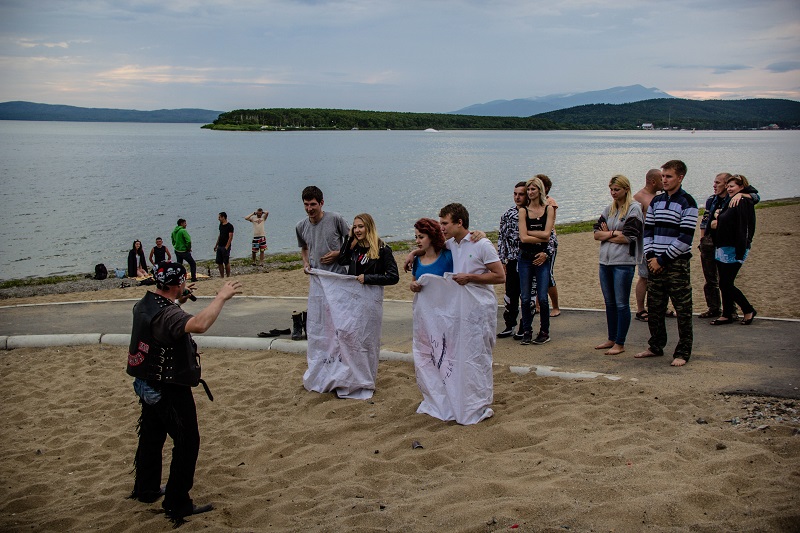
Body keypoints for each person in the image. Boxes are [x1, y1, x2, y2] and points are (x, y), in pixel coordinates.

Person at [126, 262, 242, 524]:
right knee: (187, 442)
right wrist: (221, 297)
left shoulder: (145, 303)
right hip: (169, 386)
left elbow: (167, 312)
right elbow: (199, 324)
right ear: (177, 284)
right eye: (181, 285)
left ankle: (146, 489)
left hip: (146, 382)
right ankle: (177, 503)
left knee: (152, 436)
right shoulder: (168, 315)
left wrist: (179, 295)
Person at [635, 160, 698, 367]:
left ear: (680, 177)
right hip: (655, 262)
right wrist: (652, 257)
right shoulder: (656, 201)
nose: (664, 180)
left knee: (683, 309)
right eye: (663, 176)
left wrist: (662, 259)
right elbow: (649, 231)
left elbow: (685, 238)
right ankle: (655, 346)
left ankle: (682, 351)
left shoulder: (688, 202)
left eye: (669, 176)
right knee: (655, 308)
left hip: (676, 264)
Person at [592, 175, 644, 355]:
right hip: (605, 262)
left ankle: (620, 342)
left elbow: (629, 237)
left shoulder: (634, 209)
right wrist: (614, 234)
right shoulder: (610, 209)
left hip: (623, 262)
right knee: (610, 303)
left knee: (621, 303)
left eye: (617, 190)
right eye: (611, 189)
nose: (613, 193)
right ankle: (611, 338)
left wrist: (610, 233)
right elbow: (597, 234)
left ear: (626, 189)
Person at [698, 173, 760, 319]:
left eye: (718, 182)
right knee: (712, 279)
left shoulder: (738, 199)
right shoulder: (712, 200)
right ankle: (719, 310)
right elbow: (705, 221)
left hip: (730, 245)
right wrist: (702, 239)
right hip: (714, 242)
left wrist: (745, 195)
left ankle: (738, 310)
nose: (715, 185)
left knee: (725, 282)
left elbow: (754, 199)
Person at [517, 177, 556, 345]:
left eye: (533, 189)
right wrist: (539, 237)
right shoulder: (523, 211)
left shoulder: (548, 209)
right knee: (525, 297)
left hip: (542, 258)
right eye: (529, 190)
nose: (530, 192)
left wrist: (534, 236)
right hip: (525, 257)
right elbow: (523, 238)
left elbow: (548, 235)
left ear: (540, 190)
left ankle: (544, 331)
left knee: (543, 297)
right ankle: (527, 330)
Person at [496, 182, 528, 338]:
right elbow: (501, 238)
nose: (517, 197)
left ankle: (525, 326)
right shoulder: (508, 214)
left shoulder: (535, 213)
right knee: (510, 294)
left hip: (529, 261)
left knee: (528, 295)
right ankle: (510, 325)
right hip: (512, 260)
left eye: (521, 194)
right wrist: (501, 260)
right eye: (515, 194)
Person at [296, 186, 349, 274]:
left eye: (313, 204)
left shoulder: (335, 219)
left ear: (321, 203)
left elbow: (353, 240)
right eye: (306, 204)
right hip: (317, 275)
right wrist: (306, 263)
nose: (309, 209)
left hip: (337, 274)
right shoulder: (300, 226)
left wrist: (339, 253)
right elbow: (304, 248)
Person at [632, 169, 662, 321]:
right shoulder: (639, 198)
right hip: (645, 243)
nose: (665, 182)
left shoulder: (658, 197)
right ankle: (640, 309)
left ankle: (659, 307)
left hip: (658, 243)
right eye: (662, 179)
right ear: (653, 181)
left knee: (658, 276)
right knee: (644, 276)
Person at [337, 213, 400, 286]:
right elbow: (342, 261)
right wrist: (349, 238)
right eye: (354, 227)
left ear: (369, 227)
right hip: (354, 292)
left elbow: (393, 277)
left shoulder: (383, 249)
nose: (357, 230)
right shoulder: (356, 248)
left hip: (372, 294)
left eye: (360, 227)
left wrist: (367, 278)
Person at [537, 174, 561, 317]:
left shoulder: (549, 202)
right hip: (535, 241)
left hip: (549, 241)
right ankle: (538, 305)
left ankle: (556, 306)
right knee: (536, 274)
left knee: (548, 274)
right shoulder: (532, 203)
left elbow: (549, 224)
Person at [409, 217, 454, 290]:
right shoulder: (417, 260)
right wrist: (412, 286)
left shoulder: (448, 256)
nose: (417, 241)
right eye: (416, 237)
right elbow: (413, 282)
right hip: (423, 301)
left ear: (432, 236)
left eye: (421, 237)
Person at [214, 212, 234, 278]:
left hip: (225, 246)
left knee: (226, 262)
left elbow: (230, 237)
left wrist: (227, 247)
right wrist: (216, 245)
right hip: (220, 245)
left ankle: (228, 276)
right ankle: (222, 276)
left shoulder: (230, 226)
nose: (218, 218)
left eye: (219, 217)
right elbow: (220, 235)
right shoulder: (221, 225)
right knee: (219, 262)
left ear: (223, 217)